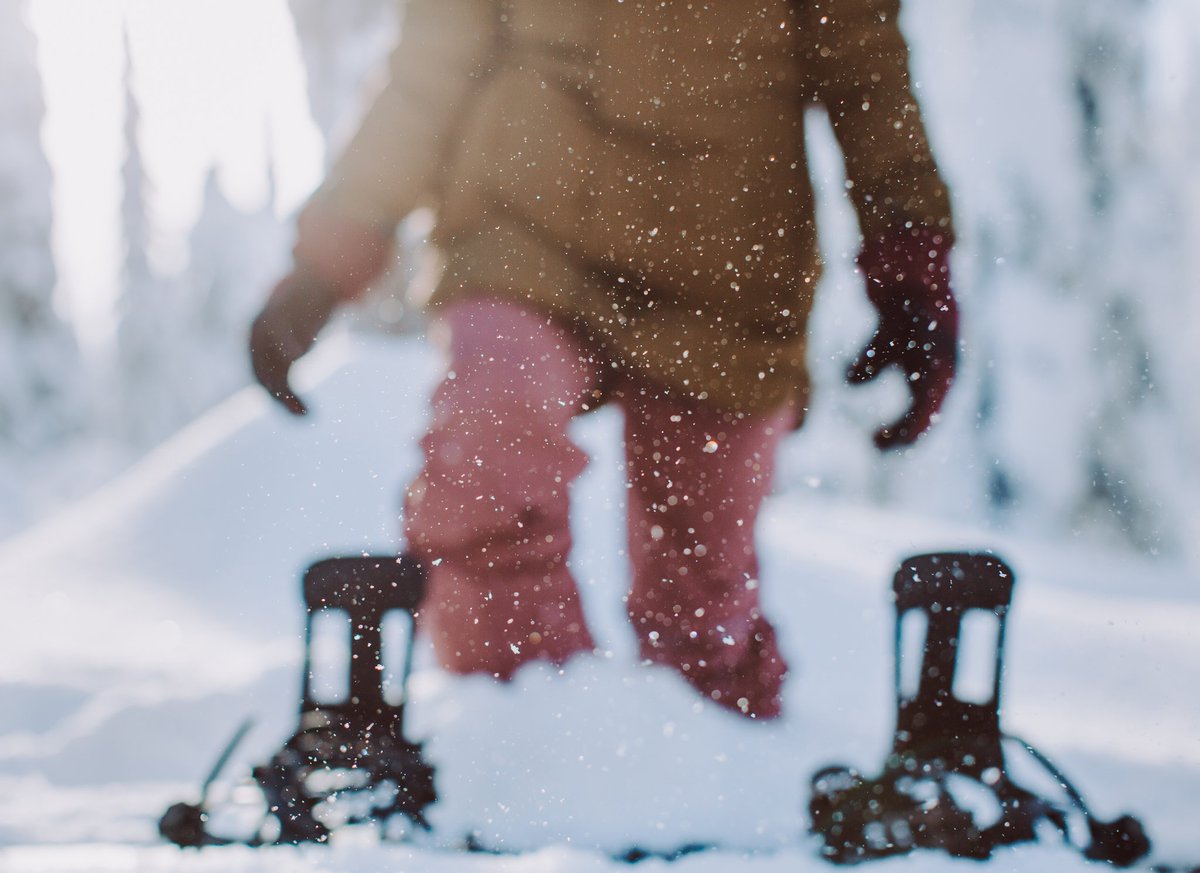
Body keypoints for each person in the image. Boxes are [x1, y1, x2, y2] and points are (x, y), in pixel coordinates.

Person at [249, 0, 957, 721]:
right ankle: (524, 728)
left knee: (699, 600)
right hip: (526, 232)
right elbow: (428, 71)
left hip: (727, 265)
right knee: (490, 455)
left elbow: (865, 73)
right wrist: (326, 264)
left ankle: (710, 764)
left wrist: (910, 274)